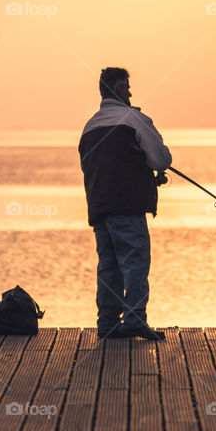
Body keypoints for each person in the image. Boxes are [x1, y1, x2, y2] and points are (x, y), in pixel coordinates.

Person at [78, 67, 173, 340]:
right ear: (120, 89)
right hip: (127, 205)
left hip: (99, 206)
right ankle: (134, 319)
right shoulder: (133, 119)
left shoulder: (90, 126)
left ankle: (107, 323)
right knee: (135, 262)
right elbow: (161, 160)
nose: (130, 93)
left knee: (108, 265)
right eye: (128, 88)